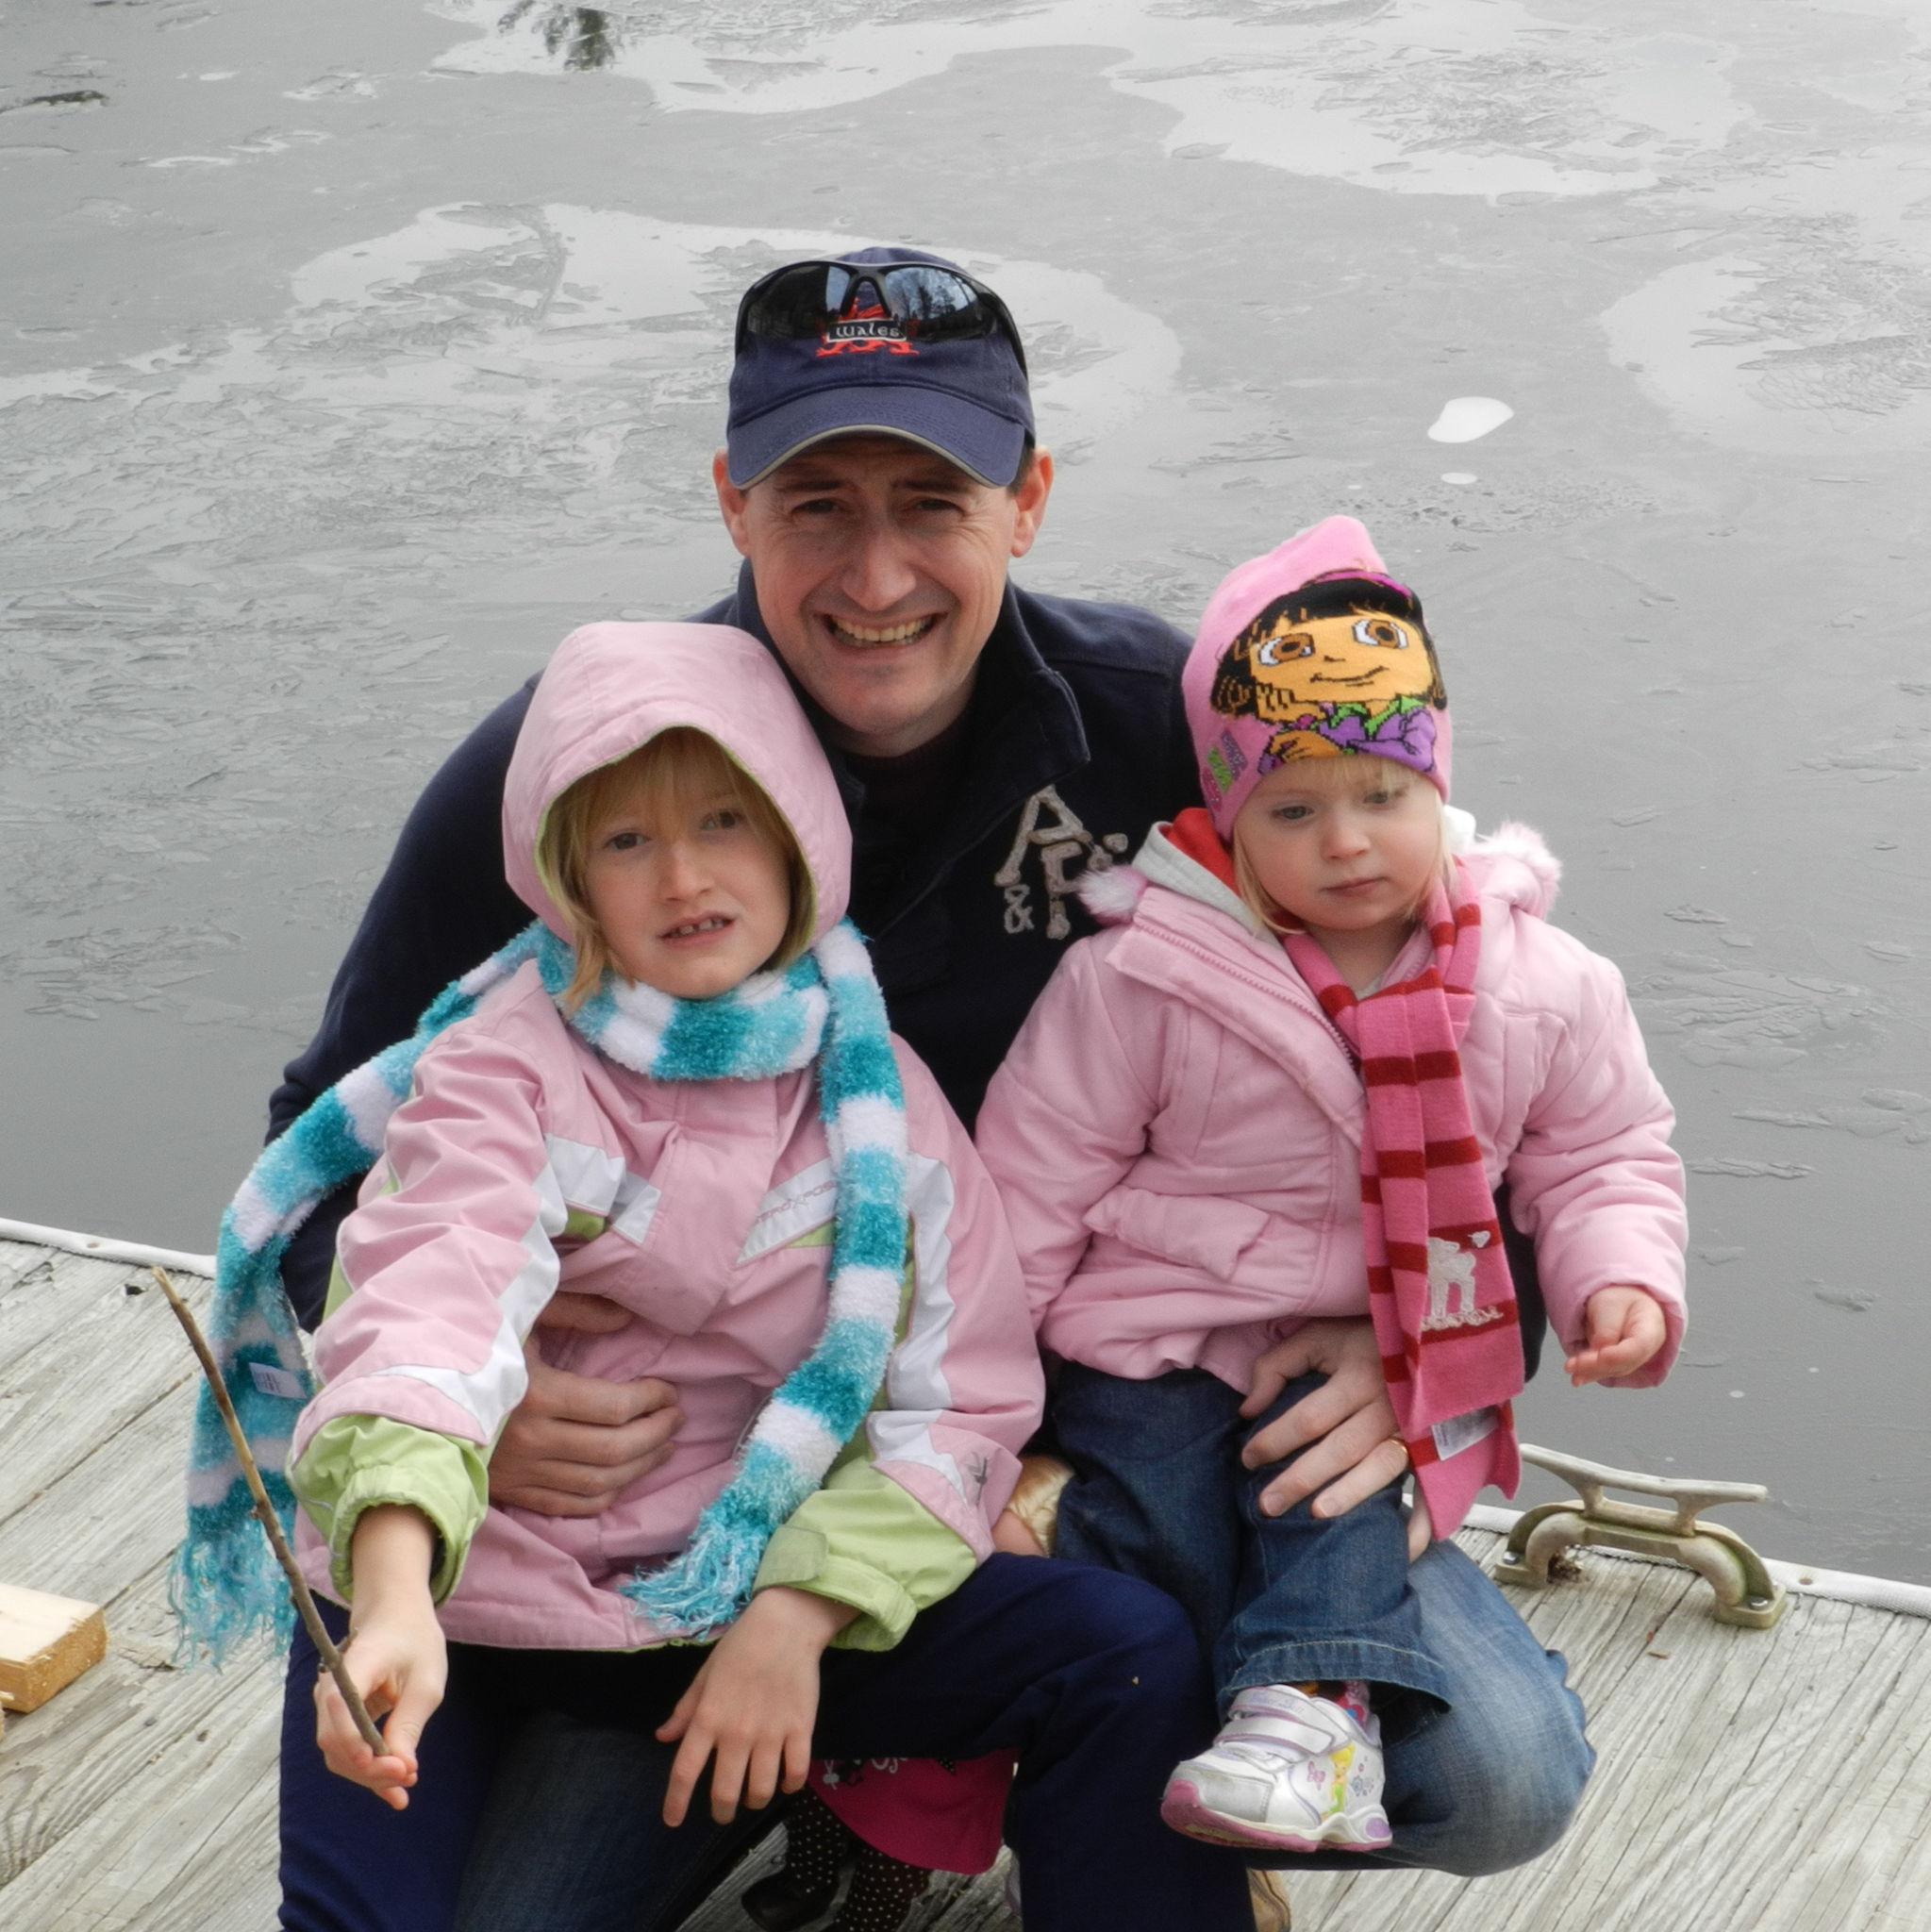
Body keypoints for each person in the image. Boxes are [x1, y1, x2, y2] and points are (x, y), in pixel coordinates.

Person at [259, 248, 1592, 1923]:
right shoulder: (581, 766)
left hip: (1099, 1424)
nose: (878, 571)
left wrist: (1446, 1321)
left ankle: (1044, 1758)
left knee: (1494, 1766)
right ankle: (837, 1762)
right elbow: (329, 1171)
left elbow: (1482, 1024)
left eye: (935, 499)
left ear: (1028, 499)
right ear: (730, 501)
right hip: (672, 1488)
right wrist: (486, 1403)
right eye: (817, 504)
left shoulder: (1166, 729)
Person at [179, 618, 1257, 1932]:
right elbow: (428, 1299)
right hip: (471, 1591)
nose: (684, 873)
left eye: (728, 824)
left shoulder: (886, 1105)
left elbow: (960, 1402)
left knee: (1126, 1657)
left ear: (802, 837)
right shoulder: (495, 1066)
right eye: (626, 840)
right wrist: (395, 1593)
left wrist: (795, 1621)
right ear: (565, 880)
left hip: (734, 1595)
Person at [972, 513, 1687, 1864]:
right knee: (1169, 1513)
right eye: (1292, 811)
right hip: (1152, 1345)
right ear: (1230, 827)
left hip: (1376, 1373)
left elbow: (1599, 1156)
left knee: (1325, 1504)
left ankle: (1307, 1714)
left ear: (1442, 787)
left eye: (1383, 795)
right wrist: (984, 1425)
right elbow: (1028, 1189)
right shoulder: (1143, 973)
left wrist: (1619, 1280)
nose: (1347, 842)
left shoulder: (1543, 985)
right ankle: (1190, 1715)